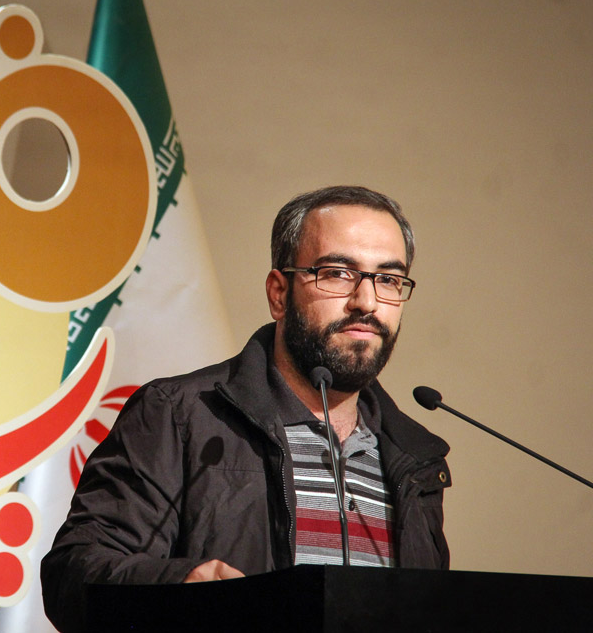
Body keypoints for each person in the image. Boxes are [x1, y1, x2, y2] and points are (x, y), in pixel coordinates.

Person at [40, 186, 451, 632]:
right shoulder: (179, 416)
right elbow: (72, 575)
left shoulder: (415, 461)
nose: (366, 302)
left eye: (388, 280)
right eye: (337, 273)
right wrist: (178, 589)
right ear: (278, 293)